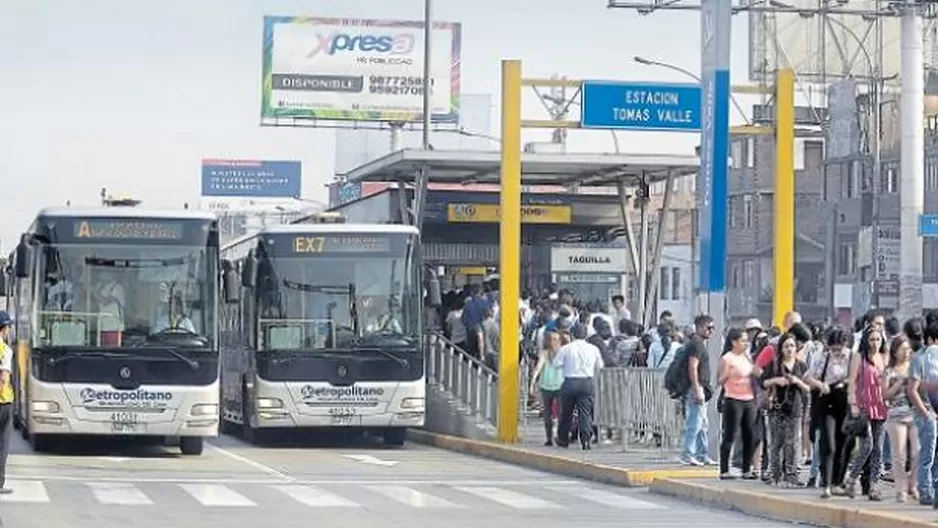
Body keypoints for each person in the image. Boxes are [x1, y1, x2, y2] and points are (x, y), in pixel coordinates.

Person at [553, 324, 604, 450]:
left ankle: (563, 439)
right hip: (587, 382)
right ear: (586, 335)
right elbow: (600, 366)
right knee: (585, 413)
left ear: (572, 335)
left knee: (566, 413)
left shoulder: (566, 348)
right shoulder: (593, 349)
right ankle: (586, 441)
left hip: (570, 381)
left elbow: (556, 364)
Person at [0, 311, 14, 494]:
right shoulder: (5, 350)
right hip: (3, 403)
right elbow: (3, 378)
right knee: (3, 444)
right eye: (9, 326)